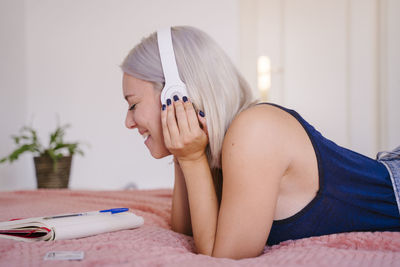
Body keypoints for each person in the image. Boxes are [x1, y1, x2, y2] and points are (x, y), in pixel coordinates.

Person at [120, 26, 400, 259]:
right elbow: (184, 228)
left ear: (176, 94)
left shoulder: (255, 130)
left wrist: (192, 160)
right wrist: (185, 154)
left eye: (133, 105)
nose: (128, 122)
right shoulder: (221, 147)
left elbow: (224, 258)